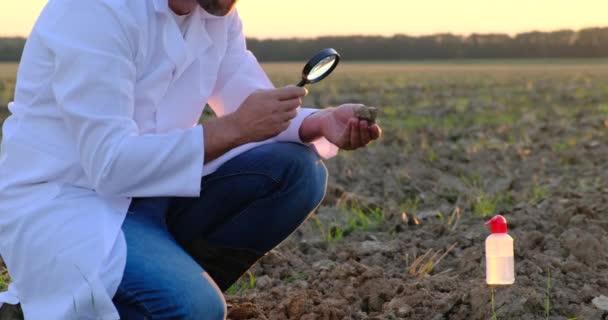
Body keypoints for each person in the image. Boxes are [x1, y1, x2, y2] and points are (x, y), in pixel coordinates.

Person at [0, 0, 382, 319]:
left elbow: (246, 96)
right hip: (70, 204)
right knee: (197, 308)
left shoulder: (216, 14)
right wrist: (235, 128)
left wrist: (321, 121)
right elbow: (111, 165)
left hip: (152, 195)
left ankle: (157, 282)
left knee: (297, 171)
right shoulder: (95, 10)